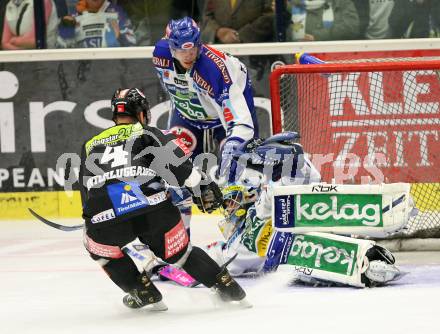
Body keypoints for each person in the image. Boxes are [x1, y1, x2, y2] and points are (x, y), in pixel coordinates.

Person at [78, 87, 249, 310]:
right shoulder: (147, 132)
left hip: (105, 215)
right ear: (141, 113)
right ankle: (229, 290)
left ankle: (144, 292)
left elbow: (86, 193)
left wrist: (92, 221)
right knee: (182, 254)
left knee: (101, 250)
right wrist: (202, 185)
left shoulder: (89, 145)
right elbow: (179, 165)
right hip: (152, 208)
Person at [153, 16, 259, 231]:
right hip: (188, 116)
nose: (189, 55)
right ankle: (178, 247)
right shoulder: (160, 53)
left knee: (238, 180)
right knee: (174, 178)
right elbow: (177, 90)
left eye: (192, 48)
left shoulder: (214, 69)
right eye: (182, 50)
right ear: (170, 46)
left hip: (224, 120)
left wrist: (234, 144)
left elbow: (239, 118)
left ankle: (241, 239)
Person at [57, 0, 136, 48]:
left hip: (112, 67)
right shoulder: (73, 16)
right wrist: (66, 28)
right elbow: (61, 47)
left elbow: (131, 46)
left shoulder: (117, 13)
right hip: (82, 69)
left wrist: (118, 37)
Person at [200, 0, 274, 44]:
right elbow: (207, 16)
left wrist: (240, 36)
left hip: (256, 53)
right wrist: (219, 31)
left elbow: (270, 15)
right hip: (221, 52)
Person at [285, 0, 360, 42]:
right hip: (295, 56)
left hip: (332, 57)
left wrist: (318, 36)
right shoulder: (290, 5)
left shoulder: (341, 2)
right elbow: (280, 36)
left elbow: (351, 27)